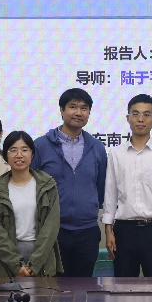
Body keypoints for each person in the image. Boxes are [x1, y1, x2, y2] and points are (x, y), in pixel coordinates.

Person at [33, 88, 107, 278]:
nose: (78, 112)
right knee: (53, 287)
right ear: (62, 110)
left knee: (83, 286)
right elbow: (32, 186)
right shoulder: (41, 145)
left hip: (87, 231)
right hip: (52, 230)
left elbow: (101, 188)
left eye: (84, 108)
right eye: (72, 107)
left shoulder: (97, 147)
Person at [103, 94, 152, 277]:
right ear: (127, 118)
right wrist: (108, 231)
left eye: (146, 114)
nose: (140, 119)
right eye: (135, 114)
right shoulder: (116, 153)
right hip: (123, 231)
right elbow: (110, 193)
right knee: (123, 286)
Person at [0, 131, 63, 278]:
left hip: (41, 256)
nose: (19, 155)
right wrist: (16, 264)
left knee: (42, 293)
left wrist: (35, 263)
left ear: (32, 154)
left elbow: (51, 226)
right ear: (5, 155)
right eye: (13, 150)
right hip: (7, 257)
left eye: (24, 150)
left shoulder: (47, 184)